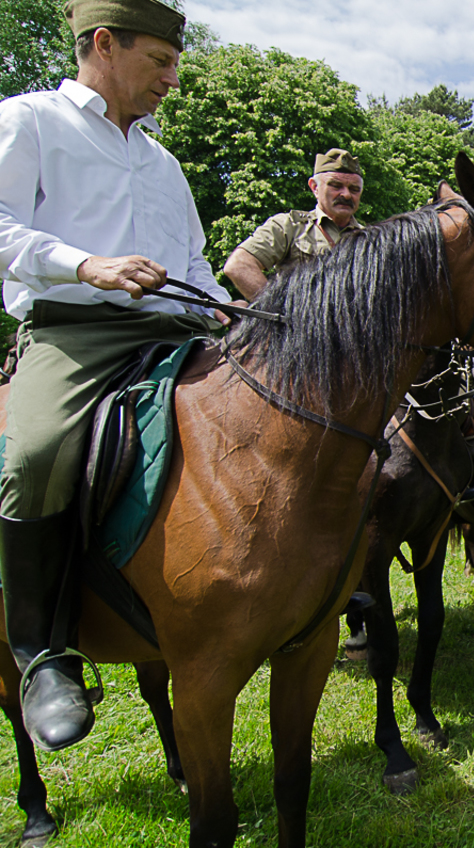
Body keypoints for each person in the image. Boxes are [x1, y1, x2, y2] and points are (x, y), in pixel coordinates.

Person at [0, 0, 235, 752]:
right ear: (105, 43)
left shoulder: (163, 161)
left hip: (180, 330)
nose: (172, 78)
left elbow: (195, 262)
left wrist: (227, 312)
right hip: (77, 334)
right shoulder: (29, 120)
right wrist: (86, 265)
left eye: (174, 64)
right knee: (34, 454)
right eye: (160, 62)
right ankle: (42, 652)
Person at [223, 148, 365, 300]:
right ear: (315, 187)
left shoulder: (370, 238)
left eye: (354, 189)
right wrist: (277, 312)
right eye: (336, 186)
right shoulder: (289, 226)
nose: (346, 194)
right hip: (297, 322)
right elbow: (239, 265)